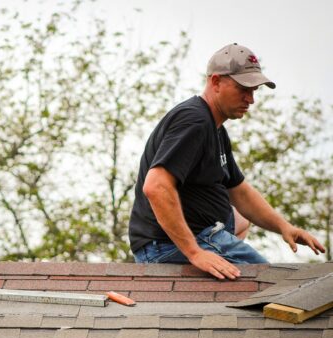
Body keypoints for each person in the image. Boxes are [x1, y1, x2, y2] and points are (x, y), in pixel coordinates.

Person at [128, 43, 325, 280]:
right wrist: (195, 253)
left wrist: (285, 227)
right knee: (274, 284)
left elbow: (239, 191)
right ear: (215, 82)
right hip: (165, 247)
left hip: (201, 236)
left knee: (239, 219)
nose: (250, 99)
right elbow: (156, 186)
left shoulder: (215, 128)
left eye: (255, 90)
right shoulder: (195, 121)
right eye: (243, 88)